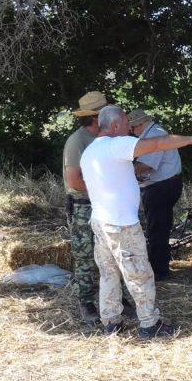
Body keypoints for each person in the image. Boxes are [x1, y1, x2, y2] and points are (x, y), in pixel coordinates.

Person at [80, 105, 192, 338]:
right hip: (122, 224)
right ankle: (149, 324)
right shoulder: (116, 144)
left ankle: (111, 322)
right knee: (140, 274)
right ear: (114, 126)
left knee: (108, 274)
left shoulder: (91, 151)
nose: (129, 129)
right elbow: (157, 144)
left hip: (100, 222)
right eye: (125, 123)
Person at [62, 90, 111, 327]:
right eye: (104, 112)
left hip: (103, 203)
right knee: (85, 257)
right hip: (83, 206)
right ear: (94, 117)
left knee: (111, 253)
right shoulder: (77, 141)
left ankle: (115, 299)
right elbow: (74, 182)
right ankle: (86, 302)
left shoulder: (105, 138)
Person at [127, 109, 183, 281]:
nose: (132, 132)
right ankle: (160, 265)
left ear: (140, 125)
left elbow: (144, 166)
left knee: (157, 228)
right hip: (164, 184)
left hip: (161, 186)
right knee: (160, 225)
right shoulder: (153, 133)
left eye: (133, 128)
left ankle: (159, 270)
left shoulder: (154, 136)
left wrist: (122, 173)